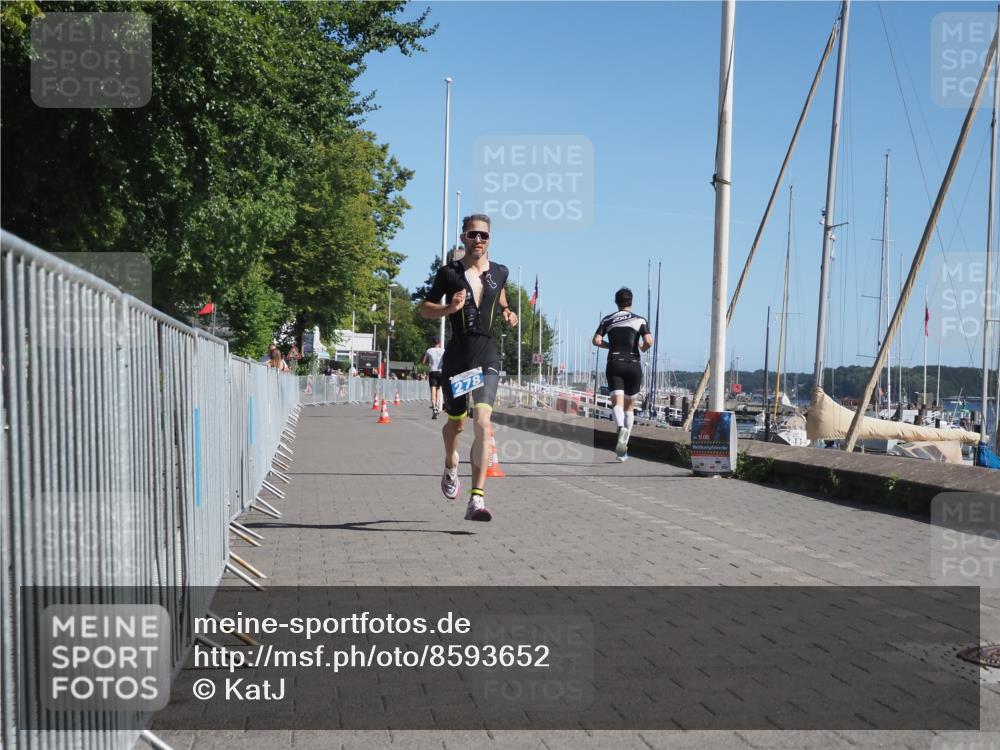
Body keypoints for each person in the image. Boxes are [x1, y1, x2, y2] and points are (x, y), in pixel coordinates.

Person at [419, 214, 517, 521]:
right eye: (473, 234)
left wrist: (507, 311)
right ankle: (450, 464)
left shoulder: (500, 271)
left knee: (484, 423)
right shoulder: (449, 273)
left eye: (484, 236)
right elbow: (424, 308)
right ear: (463, 237)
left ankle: (477, 498)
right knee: (458, 424)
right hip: (459, 358)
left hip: (486, 354)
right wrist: (449, 308)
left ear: (490, 240)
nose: (479, 240)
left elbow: (500, 294)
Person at [592, 288, 653, 461]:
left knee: (617, 404)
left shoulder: (608, 319)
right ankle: (624, 447)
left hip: (615, 363)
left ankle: (620, 430)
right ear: (631, 302)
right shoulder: (639, 320)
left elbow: (596, 340)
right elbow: (649, 340)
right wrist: (641, 348)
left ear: (616, 302)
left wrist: (609, 346)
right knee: (629, 408)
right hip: (633, 364)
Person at [422, 338, 446, 418]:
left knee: (433, 390)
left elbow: (423, 361)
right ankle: (437, 406)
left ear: (433, 343)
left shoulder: (429, 350)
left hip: (433, 371)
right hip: (440, 372)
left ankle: (434, 408)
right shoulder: (443, 350)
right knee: (438, 390)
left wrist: (429, 363)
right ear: (439, 343)